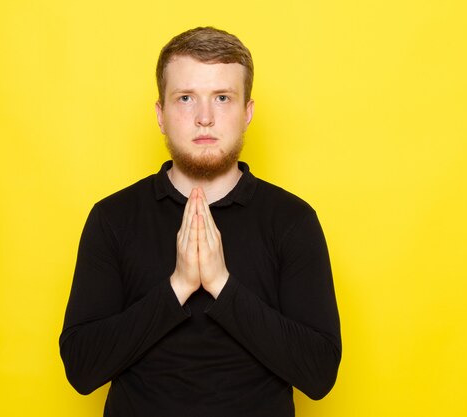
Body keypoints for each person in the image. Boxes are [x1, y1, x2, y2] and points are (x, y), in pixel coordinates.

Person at [60, 26, 341, 417]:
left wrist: (221, 286)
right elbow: (81, 368)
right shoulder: (113, 218)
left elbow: (319, 373)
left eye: (222, 98)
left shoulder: (292, 221)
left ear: (247, 113)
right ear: (160, 114)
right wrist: (178, 287)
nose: (204, 118)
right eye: (186, 98)